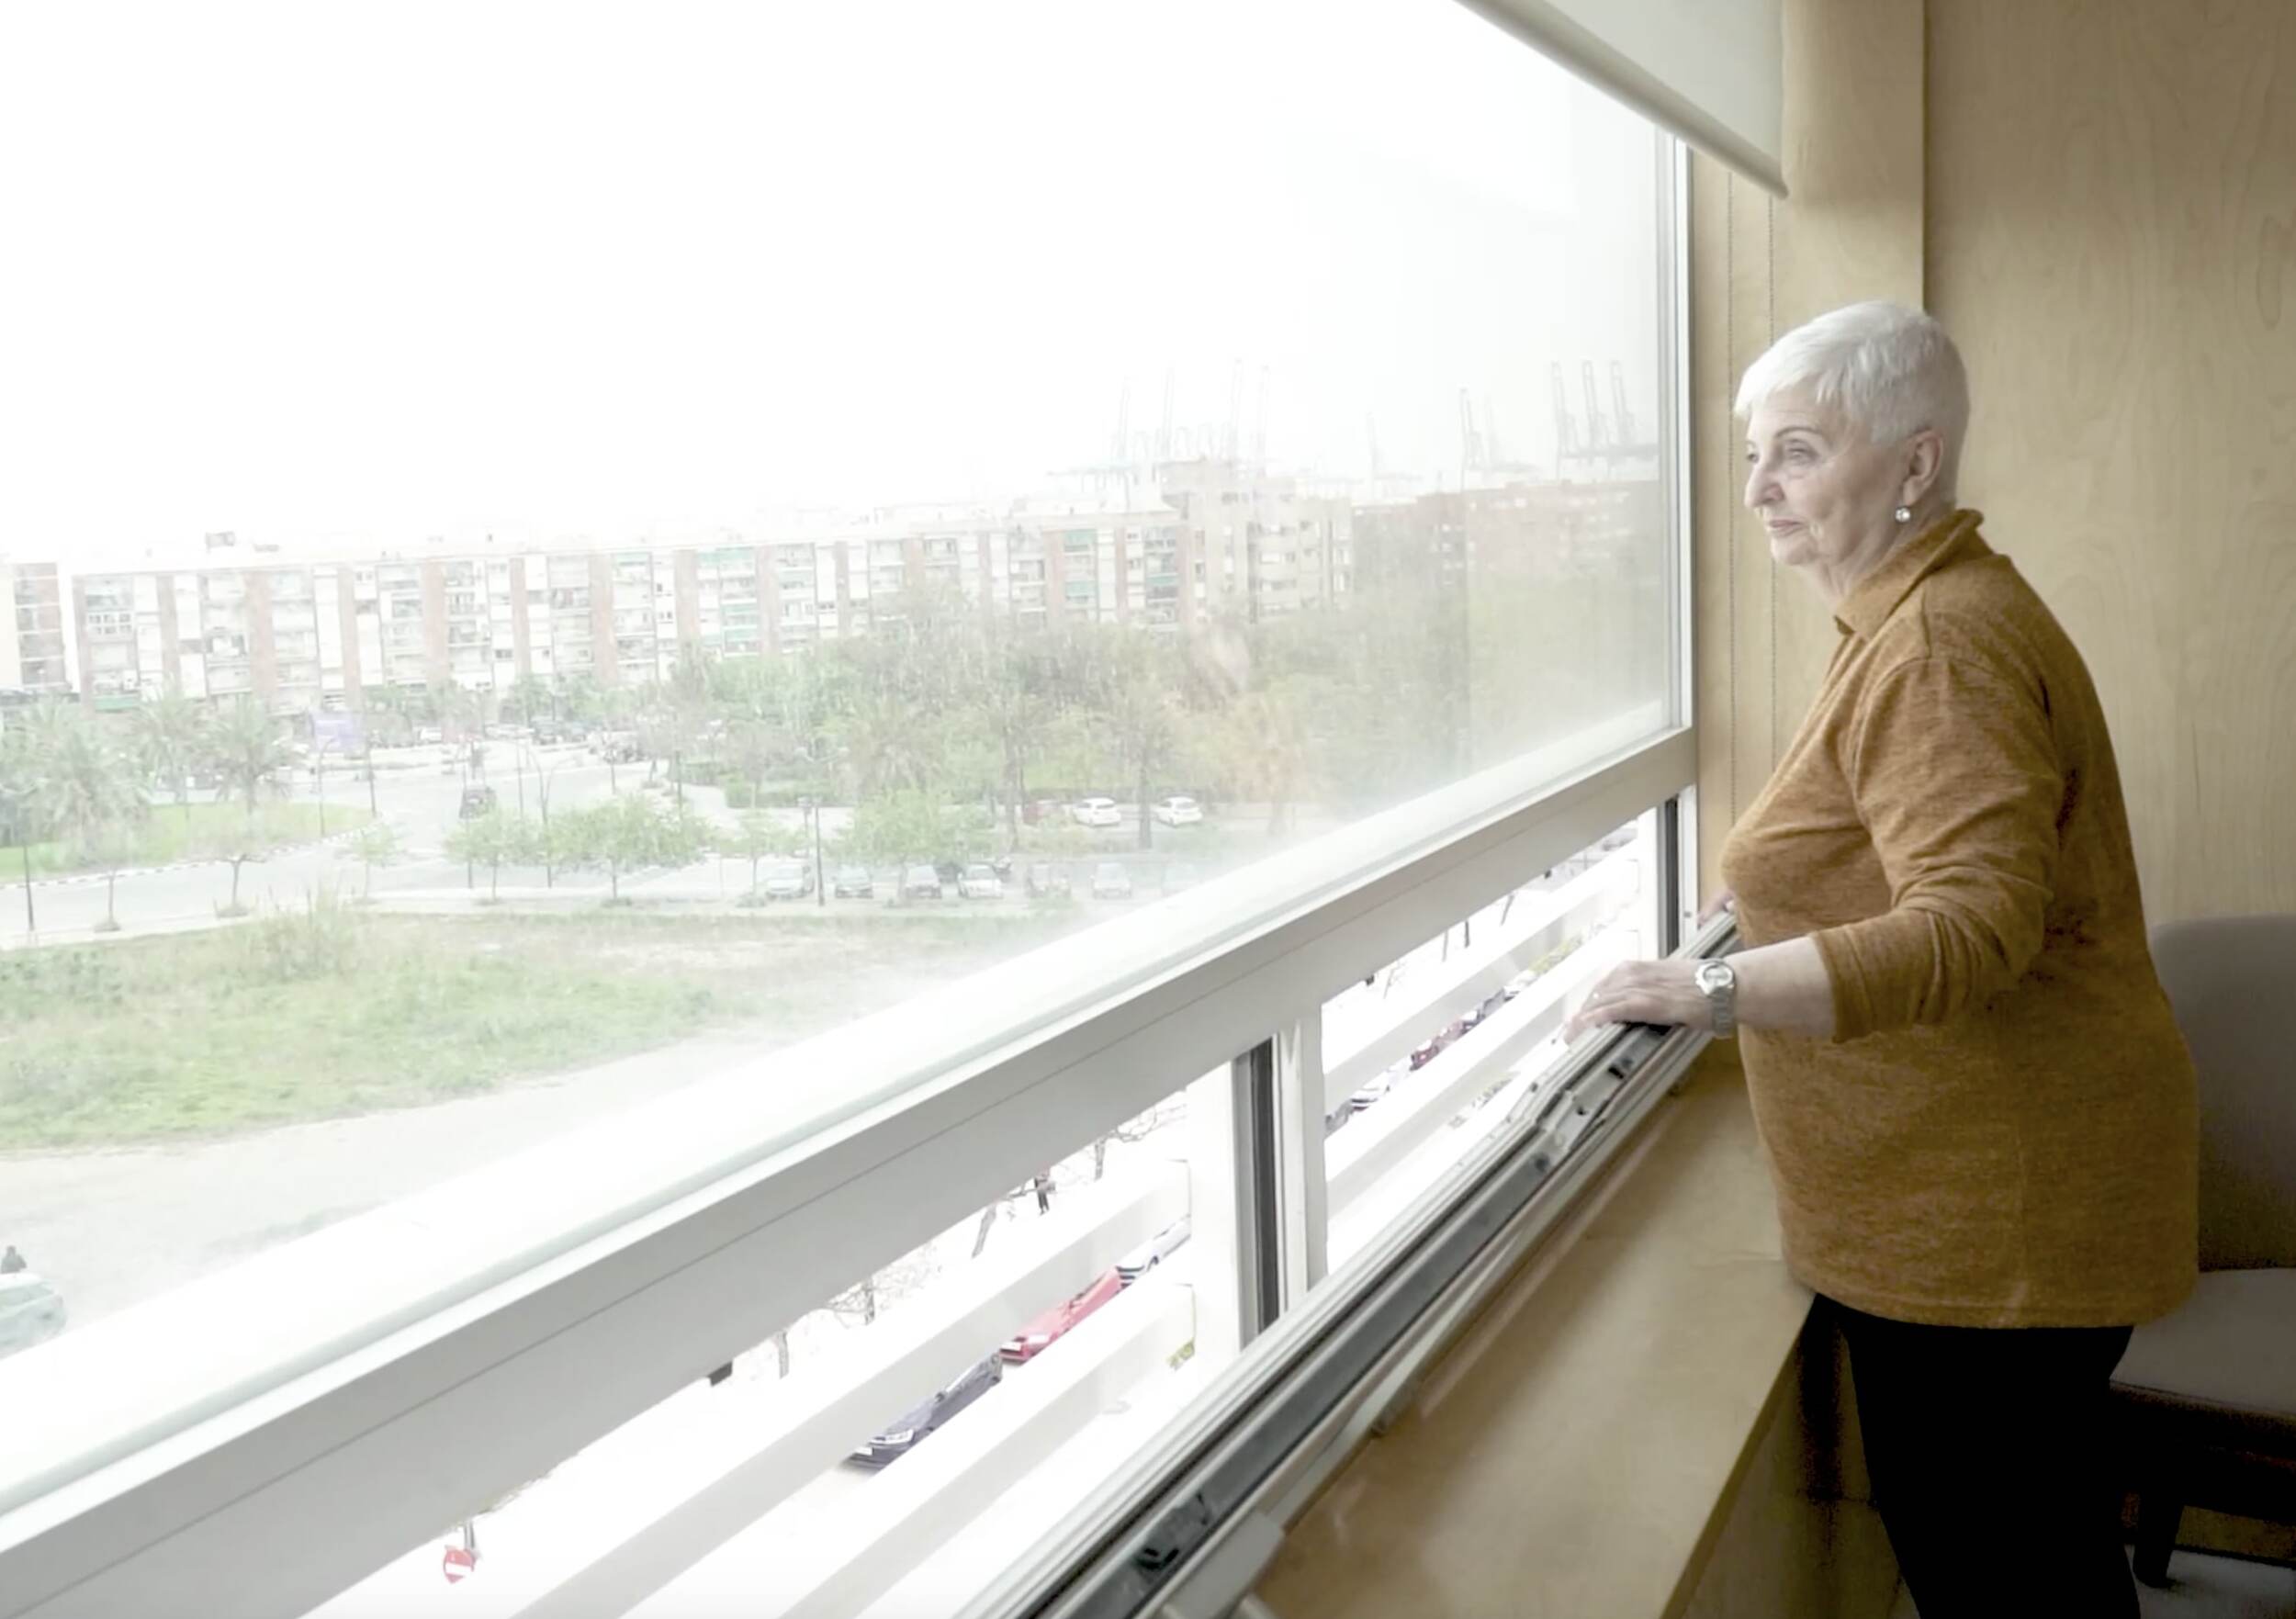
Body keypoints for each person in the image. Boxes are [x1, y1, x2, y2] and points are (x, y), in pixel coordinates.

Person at [1563, 301, 2196, 1616]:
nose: (1757, 491)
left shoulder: (1937, 645)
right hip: (1983, 1205)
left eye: (1797, 452)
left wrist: (1710, 991)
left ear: (1913, 466)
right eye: (1753, 455)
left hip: (1993, 1225)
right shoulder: (1922, 613)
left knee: (2007, 1575)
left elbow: (1968, 927)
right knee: (2031, 1559)